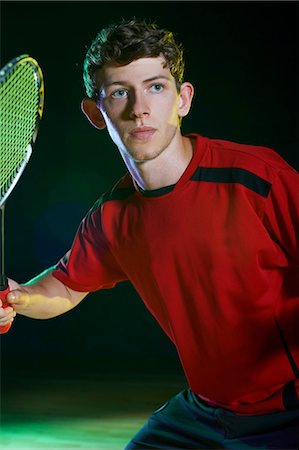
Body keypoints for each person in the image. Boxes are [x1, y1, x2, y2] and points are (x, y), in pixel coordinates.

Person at [0, 18, 298, 449]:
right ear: (95, 113)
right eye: (120, 92)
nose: (140, 107)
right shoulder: (113, 217)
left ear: (183, 99)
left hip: (287, 411)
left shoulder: (259, 179)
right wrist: (20, 298)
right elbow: (64, 286)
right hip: (203, 412)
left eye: (156, 87)